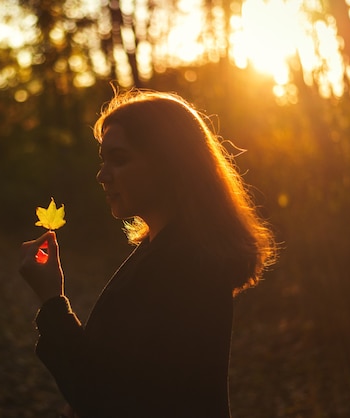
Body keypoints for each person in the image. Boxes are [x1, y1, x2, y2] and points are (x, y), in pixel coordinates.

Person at [19, 90, 276, 418]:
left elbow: (107, 397)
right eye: (103, 160)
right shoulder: (162, 249)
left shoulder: (185, 266)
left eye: (120, 159)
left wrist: (52, 302)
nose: (102, 175)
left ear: (170, 164)